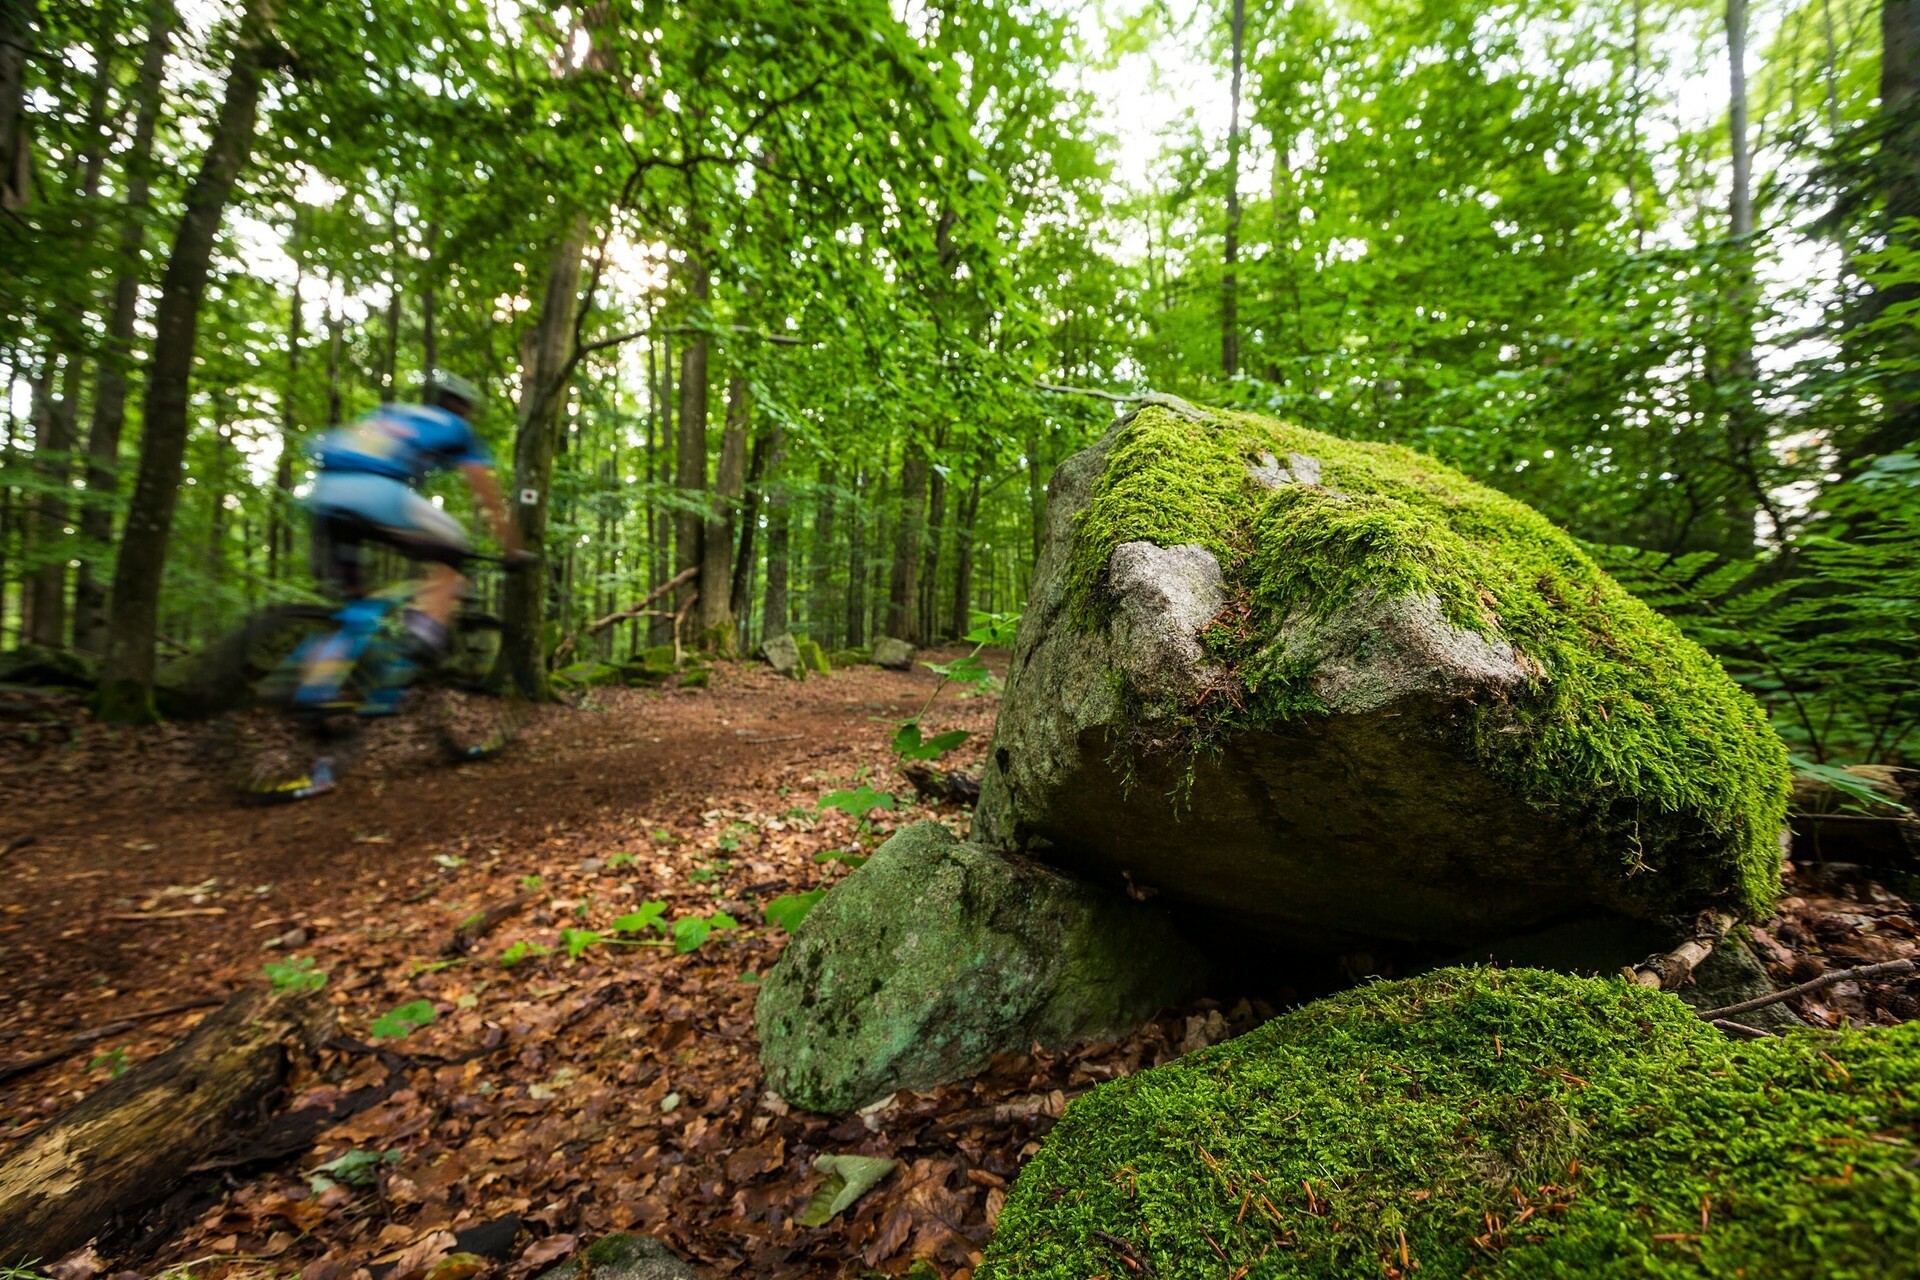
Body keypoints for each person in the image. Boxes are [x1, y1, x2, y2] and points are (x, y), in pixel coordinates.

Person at [294, 373, 529, 710]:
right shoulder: (458, 428)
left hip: (325, 495)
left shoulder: (392, 413)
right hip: (378, 492)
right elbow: (487, 494)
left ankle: (317, 687)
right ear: (464, 409)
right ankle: (422, 634)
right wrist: (512, 548)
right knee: (455, 548)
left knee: (357, 609)